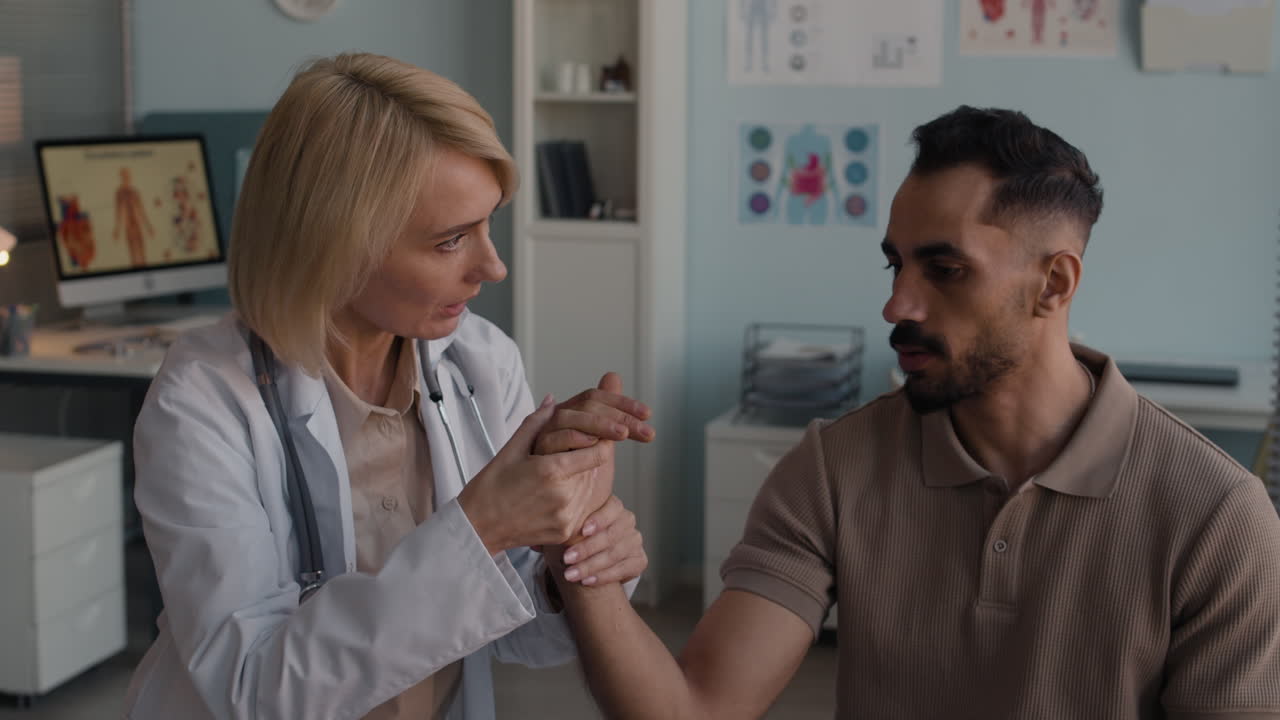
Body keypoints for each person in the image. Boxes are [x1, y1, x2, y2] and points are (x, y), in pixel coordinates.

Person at [551, 106, 1280, 718]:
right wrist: (576, 544)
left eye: (946, 269)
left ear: (1054, 284)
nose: (897, 304)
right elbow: (696, 708)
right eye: (894, 263)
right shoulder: (835, 468)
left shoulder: (1218, 517)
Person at [123, 53, 651, 720]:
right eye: (450, 241)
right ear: (333, 246)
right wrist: (484, 524)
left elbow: (507, 624)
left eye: (488, 225)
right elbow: (254, 691)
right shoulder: (201, 403)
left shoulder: (481, 362)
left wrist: (566, 562)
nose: (493, 266)